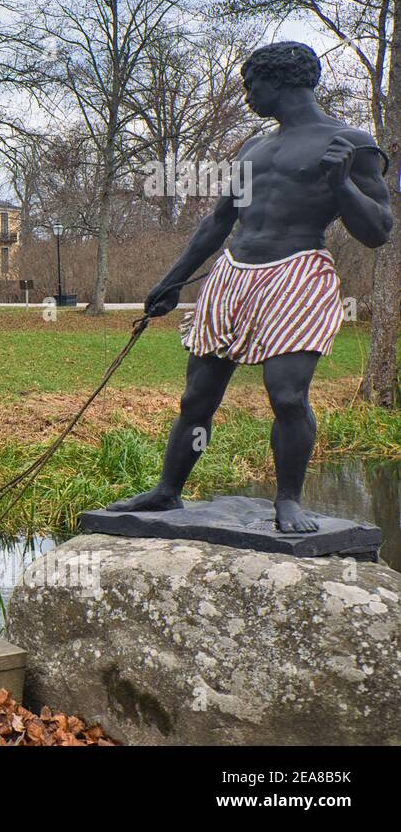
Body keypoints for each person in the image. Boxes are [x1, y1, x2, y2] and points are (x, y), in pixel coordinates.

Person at [106, 42, 393, 532]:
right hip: (232, 274)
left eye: (250, 85)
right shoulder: (253, 149)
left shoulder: (351, 143)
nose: (247, 96)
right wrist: (172, 281)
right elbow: (218, 222)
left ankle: (289, 500)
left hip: (297, 274)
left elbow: (378, 231)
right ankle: (168, 490)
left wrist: (342, 185)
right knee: (197, 398)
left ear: (278, 81)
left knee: (286, 396)